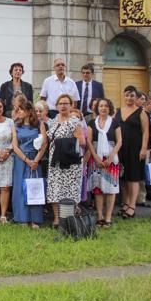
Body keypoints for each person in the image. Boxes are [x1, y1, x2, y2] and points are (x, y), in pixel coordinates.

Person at [46, 94, 85, 227]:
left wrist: (62, 142)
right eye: (60, 103)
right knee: (55, 189)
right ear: (56, 106)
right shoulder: (54, 120)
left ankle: (69, 218)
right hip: (55, 161)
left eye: (66, 103)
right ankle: (57, 219)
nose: (63, 106)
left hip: (70, 162)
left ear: (71, 106)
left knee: (70, 190)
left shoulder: (75, 121)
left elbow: (82, 141)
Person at [86, 98, 122, 227]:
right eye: (101, 106)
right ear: (97, 108)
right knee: (98, 189)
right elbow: (89, 142)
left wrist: (111, 157)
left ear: (109, 108)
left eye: (106, 106)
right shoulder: (91, 123)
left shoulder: (115, 122)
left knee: (110, 189)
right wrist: (95, 157)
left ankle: (108, 218)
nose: (103, 108)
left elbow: (119, 141)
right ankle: (99, 216)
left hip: (111, 158)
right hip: (96, 158)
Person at [11, 101, 48, 228]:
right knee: (20, 187)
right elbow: (15, 146)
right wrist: (27, 160)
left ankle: (35, 219)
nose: (18, 112)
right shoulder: (16, 125)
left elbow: (44, 144)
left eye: (21, 110)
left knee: (34, 187)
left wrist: (36, 160)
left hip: (35, 158)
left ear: (28, 111)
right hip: (21, 159)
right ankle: (22, 218)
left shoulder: (39, 124)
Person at [114, 85, 148, 220]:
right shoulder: (118, 111)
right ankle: (125, 203)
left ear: (136, 97)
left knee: (133, 178)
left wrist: (144, 148)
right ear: (124, 96)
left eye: (132, 95)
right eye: (127, 95)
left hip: (135, 149)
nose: (129, 98)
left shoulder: (141, 112)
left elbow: (146, 131)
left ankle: (132, 206)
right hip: (121, 148)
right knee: (123, 177)